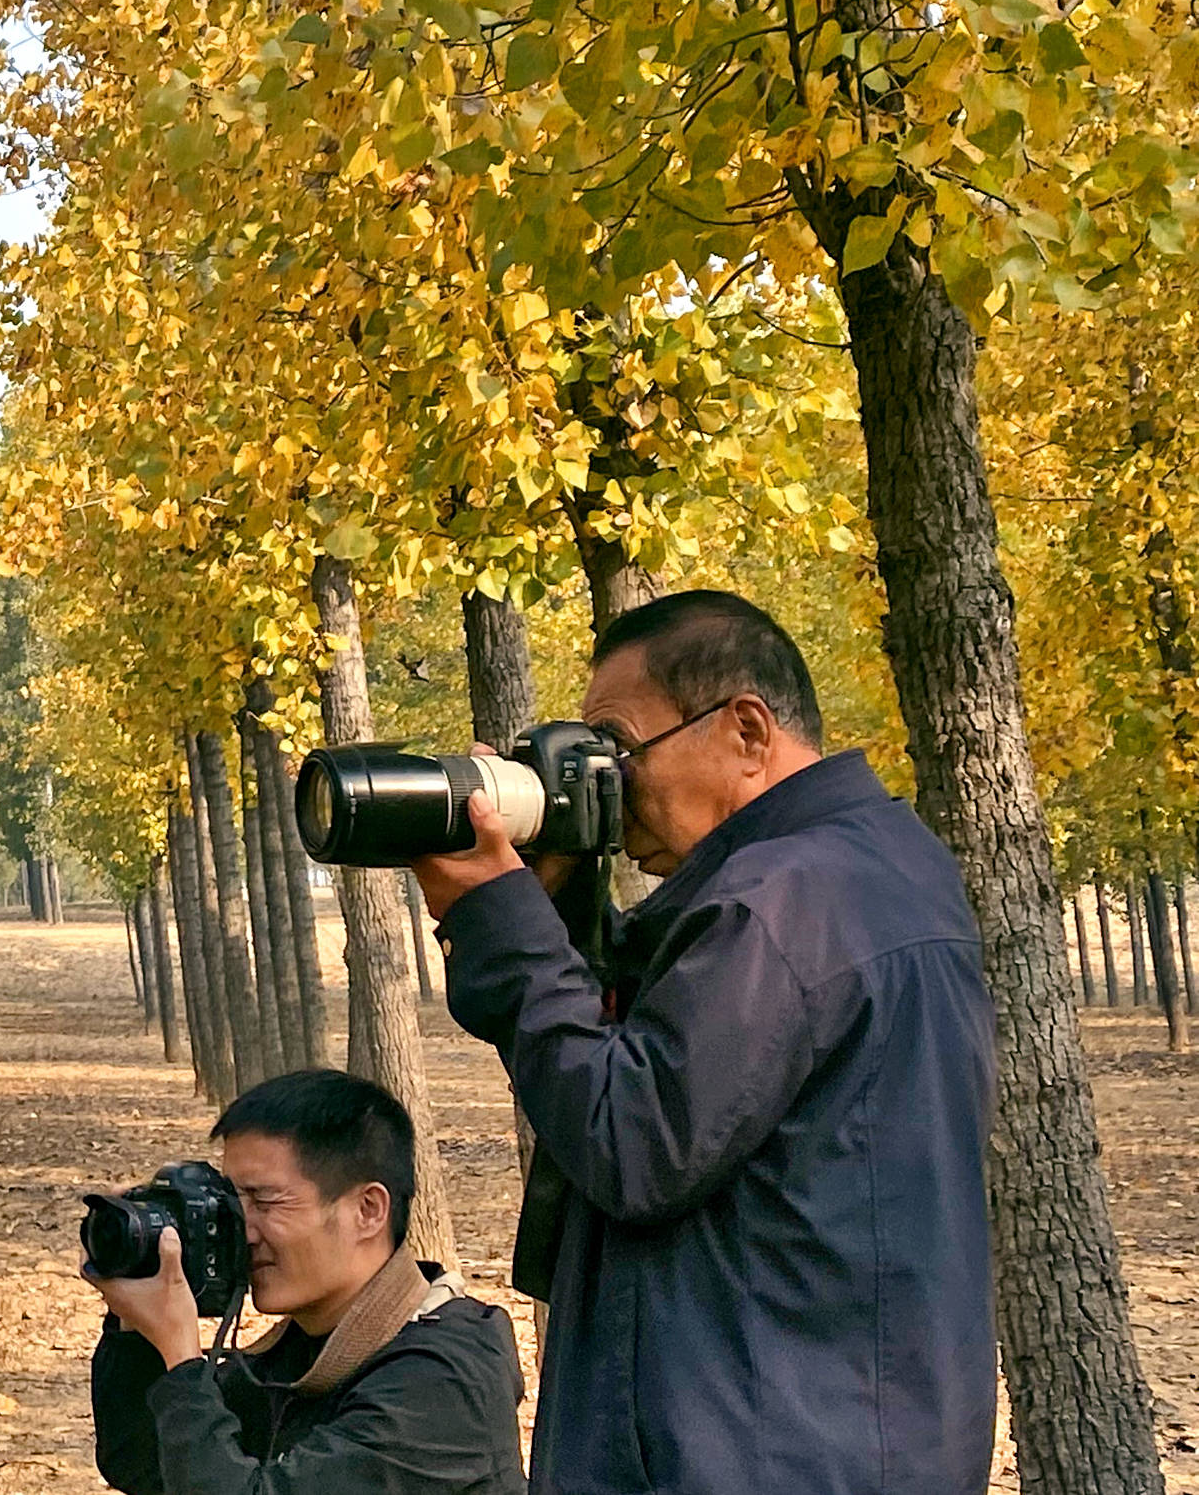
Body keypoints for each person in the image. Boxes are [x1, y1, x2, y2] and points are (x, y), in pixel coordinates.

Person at [413, 589, 998, 1495]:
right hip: (838, 1416)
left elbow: (632, 1145)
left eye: (619, 750)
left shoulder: (776, 904)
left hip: (754, 1443)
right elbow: (644, 1074)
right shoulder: (877, 859)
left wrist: (504, 921)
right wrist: (549, 903)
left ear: (748, 732)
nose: (612, 786)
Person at [87, 1070, 523, 1495]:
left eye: (263, 1201)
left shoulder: (443, 1381)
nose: (242, 1228)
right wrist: (135, 1323)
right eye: (230, 1200)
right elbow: (142, 1462)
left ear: (368, 1210)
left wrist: (183, 1360)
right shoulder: (299, 1351)